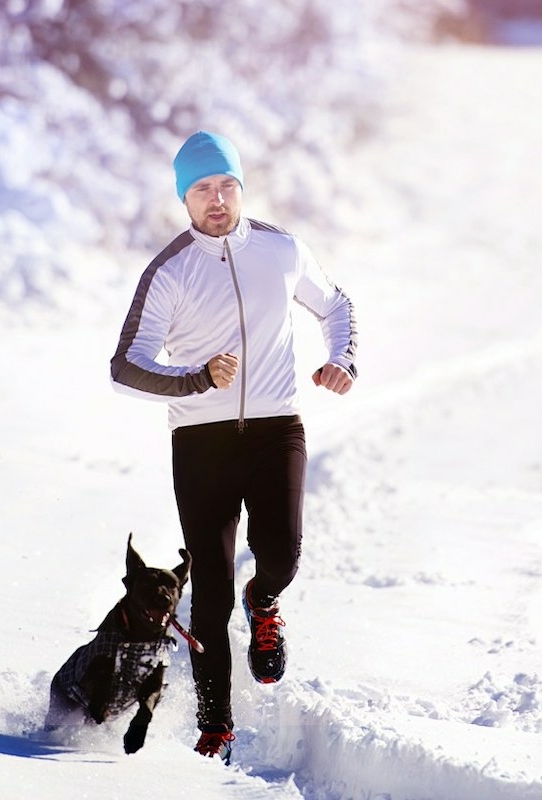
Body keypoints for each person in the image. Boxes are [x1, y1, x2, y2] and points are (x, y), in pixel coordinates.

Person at [109, 130, 358, 762]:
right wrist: (195, 380)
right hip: (201, 442)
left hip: (278, 430)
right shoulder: (169, 270)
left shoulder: (281, 250)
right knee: (211, 590)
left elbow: (337, 307)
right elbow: (125, 366)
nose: (216, 200)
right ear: (183, 201)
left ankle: (266, 599)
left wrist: (343, 360)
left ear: (240, 188)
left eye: (225, 186)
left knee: (283, 553)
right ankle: (215, 718)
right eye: (201, 190)